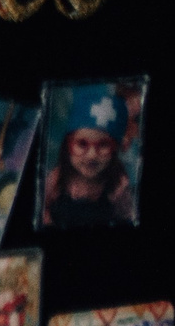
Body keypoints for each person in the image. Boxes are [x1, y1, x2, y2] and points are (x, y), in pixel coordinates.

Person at [39, 95, 138, 228]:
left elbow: (129, 218)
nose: (92, 156)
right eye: (82, 144)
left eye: (103, 145)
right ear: (67, 146)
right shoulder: (57, 179)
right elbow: (40, 207)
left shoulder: (118, 186)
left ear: (115, 150)